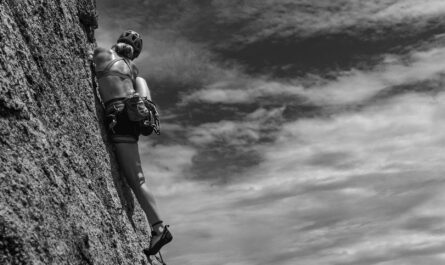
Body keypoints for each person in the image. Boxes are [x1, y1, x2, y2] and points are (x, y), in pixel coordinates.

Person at [92, 30, 172, 258]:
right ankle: (143, 107)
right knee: (140, 179)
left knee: (136, 180)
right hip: (131, 118)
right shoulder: (133, 70)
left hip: (118, 114)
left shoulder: (101, 54)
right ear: (134, 54)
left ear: (118, 43)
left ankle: (158, 228)